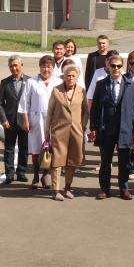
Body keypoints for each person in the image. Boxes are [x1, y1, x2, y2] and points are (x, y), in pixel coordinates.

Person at [89, 53, 134, 200]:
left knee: (124, 161)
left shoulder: (130, 85)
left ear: (123, 68)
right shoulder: (101, 84)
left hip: (125, 129)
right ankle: (105, 189)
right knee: (106, 160)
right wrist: (93, 126)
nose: (116, 69)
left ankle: (124, 189)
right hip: (107, 128)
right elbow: (95, 109)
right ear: (108, 67)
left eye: (119, 66)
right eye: (113, 66)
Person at [44, 63, 89, 201]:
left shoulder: (81, 91)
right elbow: (50, 111)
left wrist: (83, 126)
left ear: (77, 77)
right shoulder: (56, 90)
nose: (70, 78)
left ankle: (67, 188)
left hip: (76, 131)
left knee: (71, 160)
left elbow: (86, 111)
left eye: (73, 76)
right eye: (68, 76)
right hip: (59, 130)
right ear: (64, 76)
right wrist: (47, 130)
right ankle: (55, 190)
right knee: (57, 161)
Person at [19, 55, 57, 190]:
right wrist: (26, 121)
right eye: (44, 67)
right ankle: (35, 176)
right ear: (40, 67)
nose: (46, 70)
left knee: (49, 150)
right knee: (36, 150)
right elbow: (24, 103)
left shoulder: (57, 83)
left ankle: (45, 176)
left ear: (53, 68)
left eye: (49, 67)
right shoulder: (31, 82)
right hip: (36, 120)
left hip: (53, 122)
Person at [0, 55, 30, 184]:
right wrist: (3, 119)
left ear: (21, 65)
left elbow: (31, 102)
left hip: (24, 121)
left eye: (16, 65)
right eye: (11, 66)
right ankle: (9, 173)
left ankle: (21, 172)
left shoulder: (29, 81)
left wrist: (30, 120)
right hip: (9, 122)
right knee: (9, 148)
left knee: (24, 148)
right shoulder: (5, 83)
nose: (14, 68)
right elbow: (1, 103)